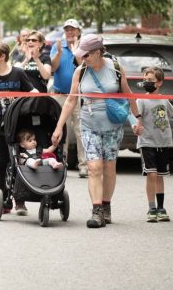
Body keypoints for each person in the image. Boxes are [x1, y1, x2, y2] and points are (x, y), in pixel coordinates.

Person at [52, 34, 142, 228]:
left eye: (86, 55)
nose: (83, 59)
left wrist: (136, 119)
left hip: (112, 126)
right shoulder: (80, 72)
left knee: (109, 168)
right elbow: (70, 100)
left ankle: (107, 205)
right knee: (94, 168)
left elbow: (128, 94)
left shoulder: (116, 68)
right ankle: (97, 210)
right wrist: (59, 126)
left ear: (98, 52)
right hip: (89, 125)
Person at [0, 40, 38, 215]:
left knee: (19, 161)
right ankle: (5, 199)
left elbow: (33, 92)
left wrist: (28, 96)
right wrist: (2, 95)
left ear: (3, 56)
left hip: (19, 125)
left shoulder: (18, 73)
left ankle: (20, 200)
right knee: (1, 164)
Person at [133, 67, 173, 222]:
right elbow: (134, 116)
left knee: (160, 175)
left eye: (150, 80)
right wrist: (135, 127)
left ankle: (161, 207)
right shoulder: (141, 100)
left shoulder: (164, 99)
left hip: (163, 142)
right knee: (151, 174)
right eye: (145, 80)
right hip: (147, 142)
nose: (146, 82)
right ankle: (151, 207)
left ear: (159, 83)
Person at [50, 19, 87, 178]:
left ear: (78, 31)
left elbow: (85, 67)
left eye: (73, 30)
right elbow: (52, 68)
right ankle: (59, 162)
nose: (70, 33)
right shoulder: (57, 47)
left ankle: (84, 166)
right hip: (60, 95)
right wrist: (59, 52)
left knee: (80, 131)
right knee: (60, 130)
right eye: (67, 30)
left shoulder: (84, 47)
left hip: (78, 96)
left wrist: (76, 52)